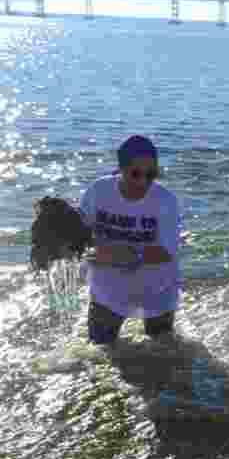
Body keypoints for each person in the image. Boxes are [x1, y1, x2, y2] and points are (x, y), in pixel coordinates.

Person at [78, 135, 184, 344]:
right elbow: (81, 232)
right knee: (99, 350)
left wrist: (126, 255)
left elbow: (166, 251)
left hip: (157, 288)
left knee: (164, 355)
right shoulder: (98, 191)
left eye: (151, 174)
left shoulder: (166, 201)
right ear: (121, 169)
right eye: (135, 173)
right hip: (107, 288)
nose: (143, 181)